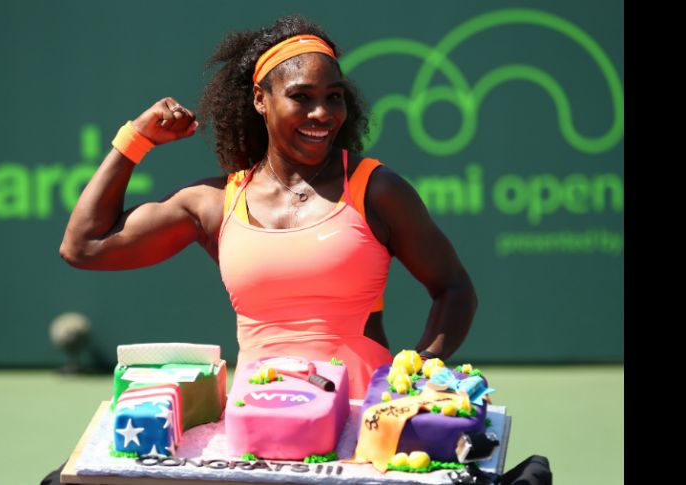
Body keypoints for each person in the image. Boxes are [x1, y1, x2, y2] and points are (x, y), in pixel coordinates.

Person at [48, 14, 551, 485]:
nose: (322, 114)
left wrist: (418, 369)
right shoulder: (216, 203)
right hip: (258, 433)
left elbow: (454, 288)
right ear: (261, 101)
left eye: (334, 97)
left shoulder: (376, 189)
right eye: (302, 97)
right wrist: (134, 141)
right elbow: (85, 245)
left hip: (362, 432)